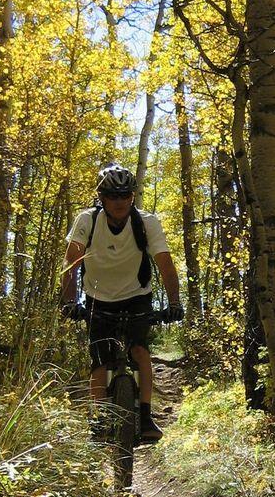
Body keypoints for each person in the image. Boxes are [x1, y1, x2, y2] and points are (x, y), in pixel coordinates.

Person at [61, 163, 184, 441]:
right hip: (97, 297)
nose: (120, 202)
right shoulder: (87, 221)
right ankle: (100, 419)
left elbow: (165, 263)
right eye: (113, 196)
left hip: (136, 295)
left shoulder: (146, 222)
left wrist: (174, 302)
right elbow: (71, 262)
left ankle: (146, 417)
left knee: (140, 351)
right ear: (102, 197)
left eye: (125, 195)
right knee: (100, 360)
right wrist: (69, 300)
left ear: (132, 196)